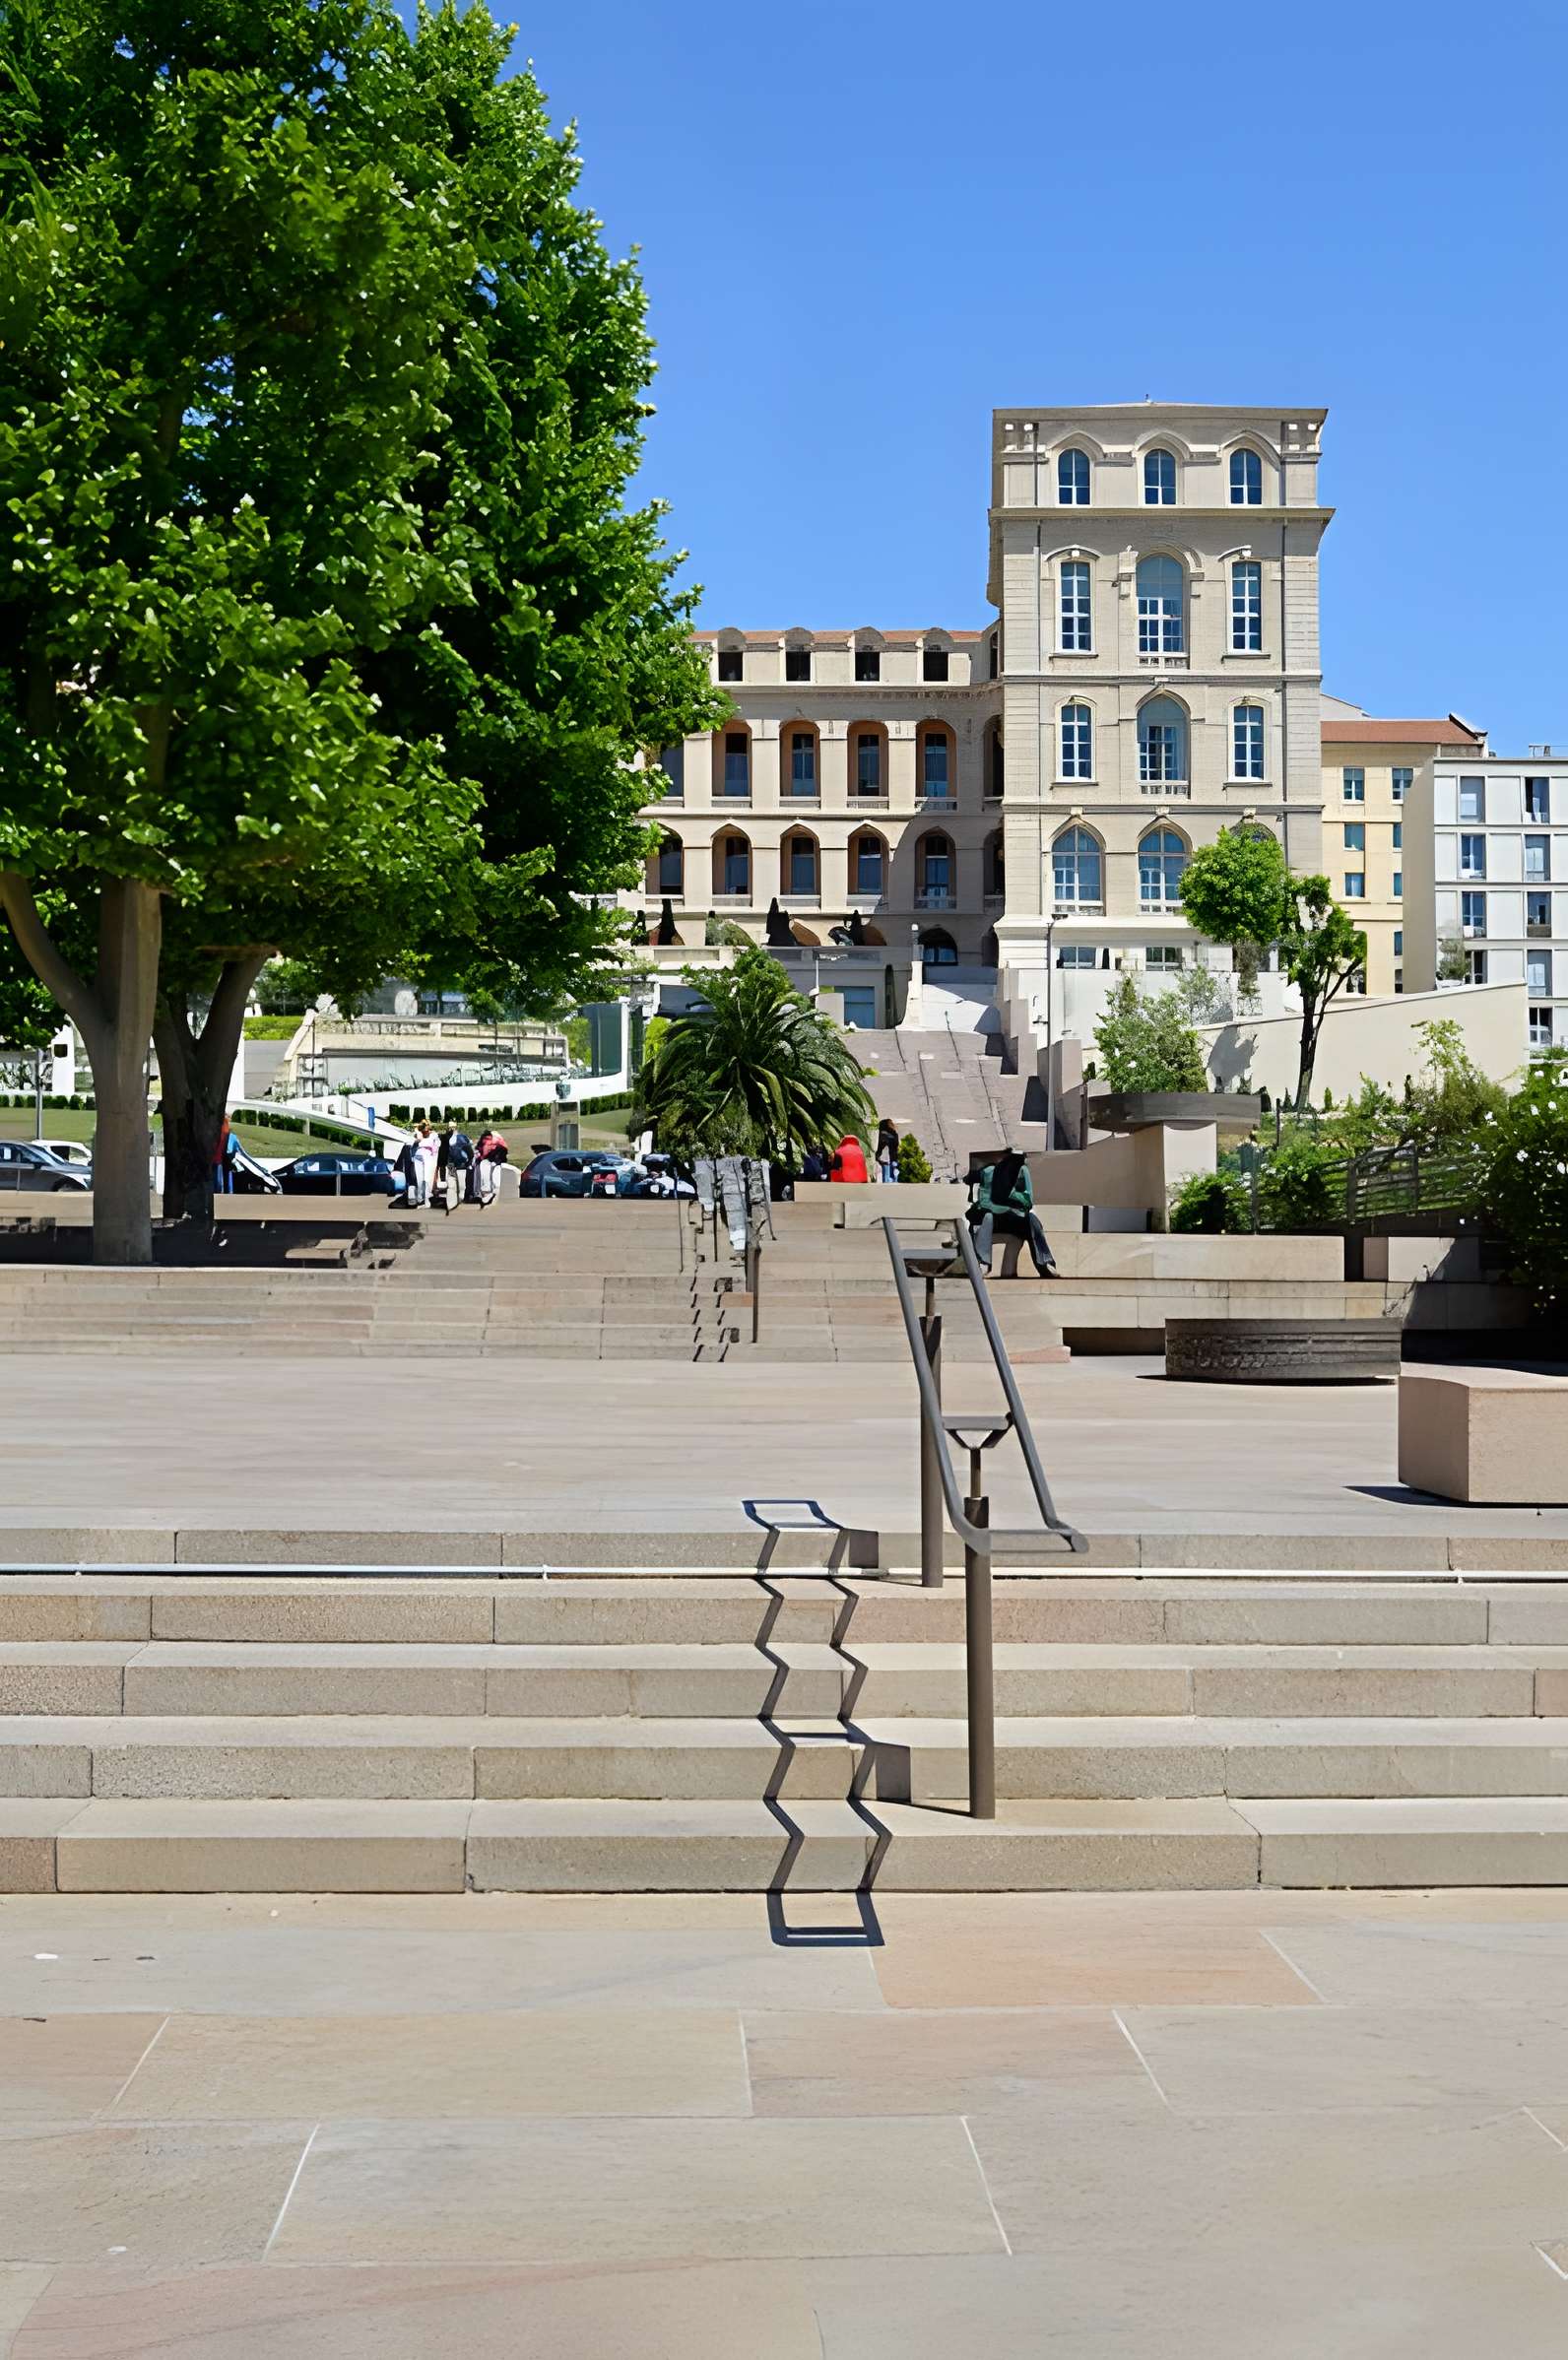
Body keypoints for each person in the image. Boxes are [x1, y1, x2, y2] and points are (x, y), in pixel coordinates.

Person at [967, 1148, 1057, 1278]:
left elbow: (1028, 1200)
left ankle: (1045, 1262)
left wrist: (1011, 1195)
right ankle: (983, 1261)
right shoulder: (987, 1171)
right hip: (992, 1217)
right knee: (987, 1217)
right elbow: (982, 1199)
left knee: (1032, 1220)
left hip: (1013, 1217)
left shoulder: (1022, 1171)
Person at [413, 1119, 440, 1211]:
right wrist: (417, 1137)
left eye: (426, 1128)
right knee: (419, 1180)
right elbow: (412, 1143)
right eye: (423, 1128)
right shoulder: (418, 1134)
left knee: (427, 1179)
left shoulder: (434, 1135)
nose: (425, 1130)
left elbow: (437, 1146)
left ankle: (427, 1200)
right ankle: (420, 1200)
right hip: (418, 1156)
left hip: (428, 1156)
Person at [393, 1133, 424, 1208]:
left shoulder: (407, 1145)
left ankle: (412, 1198)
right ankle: (416, 1198)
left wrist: (397, 1168)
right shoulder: (422, 1145)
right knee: (415, 1182)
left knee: (411, 1182)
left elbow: (401, 1159)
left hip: (410, 1167)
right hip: (416, 1167)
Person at [474, 1127, 500, 1207]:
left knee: (489, 1177)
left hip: (490, 1163)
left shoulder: (494, 1145)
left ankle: (487, 1193)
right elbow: (478, 1152)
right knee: (480, 1177)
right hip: (482, 1163)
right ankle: (480, 1193)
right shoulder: (481, 1145)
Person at [875, 1118, 900, 1184]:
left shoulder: (885, 1134)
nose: (893, 1125)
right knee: (890, 1180)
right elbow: (895, 1145)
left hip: (889, 1162)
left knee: (888, 1180)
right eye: (891, 1124)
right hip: (890, 1162)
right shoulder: (889, 1135)